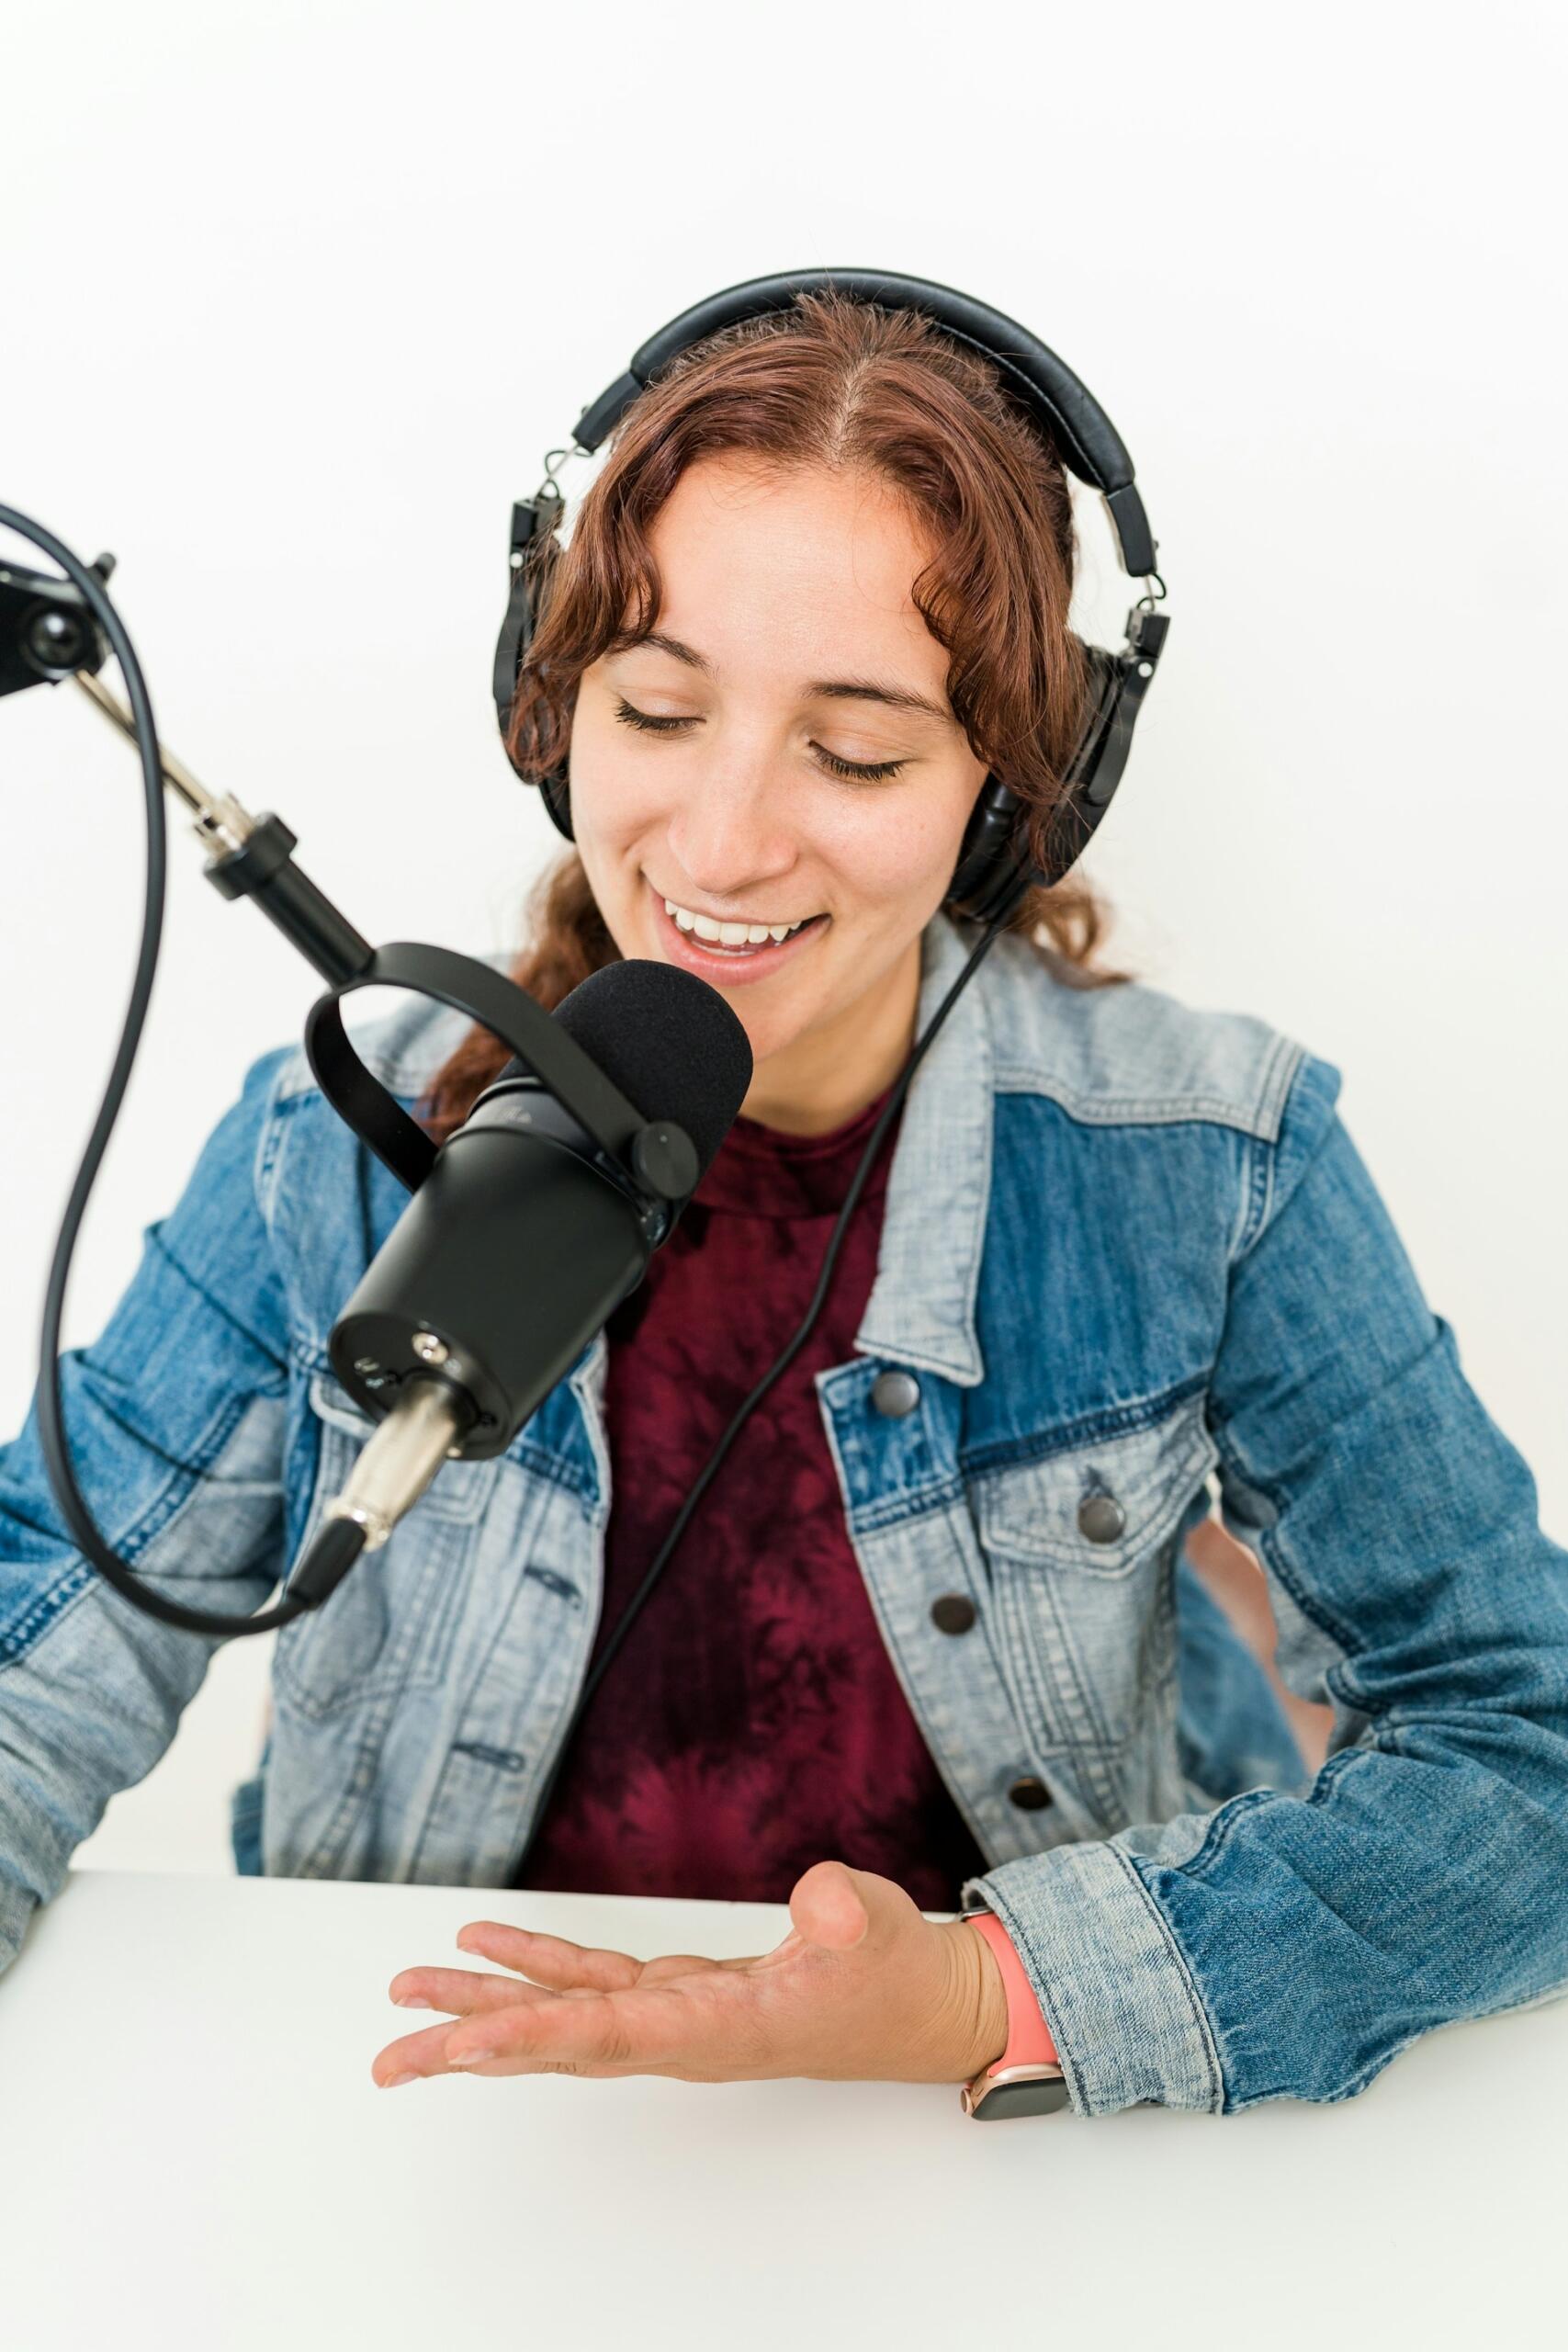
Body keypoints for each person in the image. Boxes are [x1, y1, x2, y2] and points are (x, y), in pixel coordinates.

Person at [2, 291, 1564, 2120]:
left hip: (986, 2147)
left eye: (859, 749)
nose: (726, 841)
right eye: (656, 706)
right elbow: (35, 1649)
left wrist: (985, 1995)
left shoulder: (1209, 1159)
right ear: (550, 704)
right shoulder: (331, 1132)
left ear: (1001, 801)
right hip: (454, 2138)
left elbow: (1517, 1744)